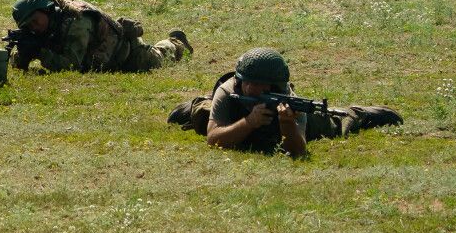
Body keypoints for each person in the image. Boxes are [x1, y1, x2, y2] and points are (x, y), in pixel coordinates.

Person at [168, 48, 402, 155]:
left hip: (291, 120)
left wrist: (287, 124)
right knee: (202, 115)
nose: (256, 89)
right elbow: (214, 139)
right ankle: (195, 105)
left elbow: (298, 151)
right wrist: (249, 122)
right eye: (251, 83)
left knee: (330, 124)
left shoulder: (289, 100)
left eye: (264, 85)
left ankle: (359, 113)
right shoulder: (229, 90)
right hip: (235, 115)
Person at [6, 0, 191, 74]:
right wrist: (24, 52)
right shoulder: (48, 26)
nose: (34, 28)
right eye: (28, 26)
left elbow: (71, 66)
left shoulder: (77, 22)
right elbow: (18, 65)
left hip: (129, 56)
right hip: (105, 59)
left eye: (36, 21)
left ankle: (175, 41)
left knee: (162, 56)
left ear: (47, 10)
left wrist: (40, 52)